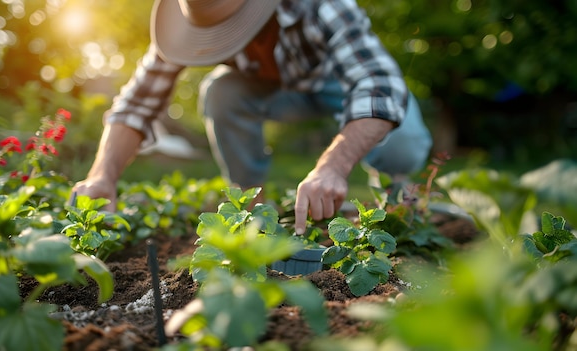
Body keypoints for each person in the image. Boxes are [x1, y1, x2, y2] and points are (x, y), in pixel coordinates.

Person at [72, 0, 433, 235]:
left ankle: (399, 196)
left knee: (402, 143)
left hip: (337, 82)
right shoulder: (190, 22)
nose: (217, 41)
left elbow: (380, 85)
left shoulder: (324, 7)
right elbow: (137, 103)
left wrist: (333, 167)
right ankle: (251, 207)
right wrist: (102, 175)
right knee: (221, 91)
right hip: (272, 90)